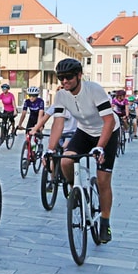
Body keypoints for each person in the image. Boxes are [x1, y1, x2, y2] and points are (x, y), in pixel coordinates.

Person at [46, 58, 119, 243]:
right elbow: (58, 122)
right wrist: (49, 149)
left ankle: (105, 221)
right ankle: (74, 190)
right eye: (60, 77)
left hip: (107, 131)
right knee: (65, 161)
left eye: (68, 77)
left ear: (79, 75)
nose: (64, 81)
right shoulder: (62, 95)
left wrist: (100, 147)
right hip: (85, 131)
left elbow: (109, 120)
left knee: (103, 181)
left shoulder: (94, 89)